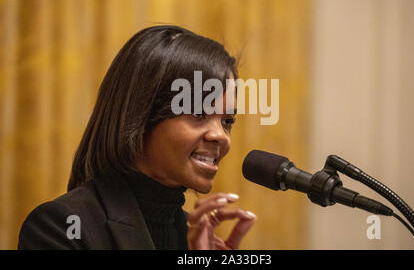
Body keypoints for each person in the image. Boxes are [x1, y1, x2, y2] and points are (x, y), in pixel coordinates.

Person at [18, 25, 257, 250]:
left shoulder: (197, 237)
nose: (220, 136)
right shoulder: (60, 226)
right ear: (142, 115)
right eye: (198, 113)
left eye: (227, 122)